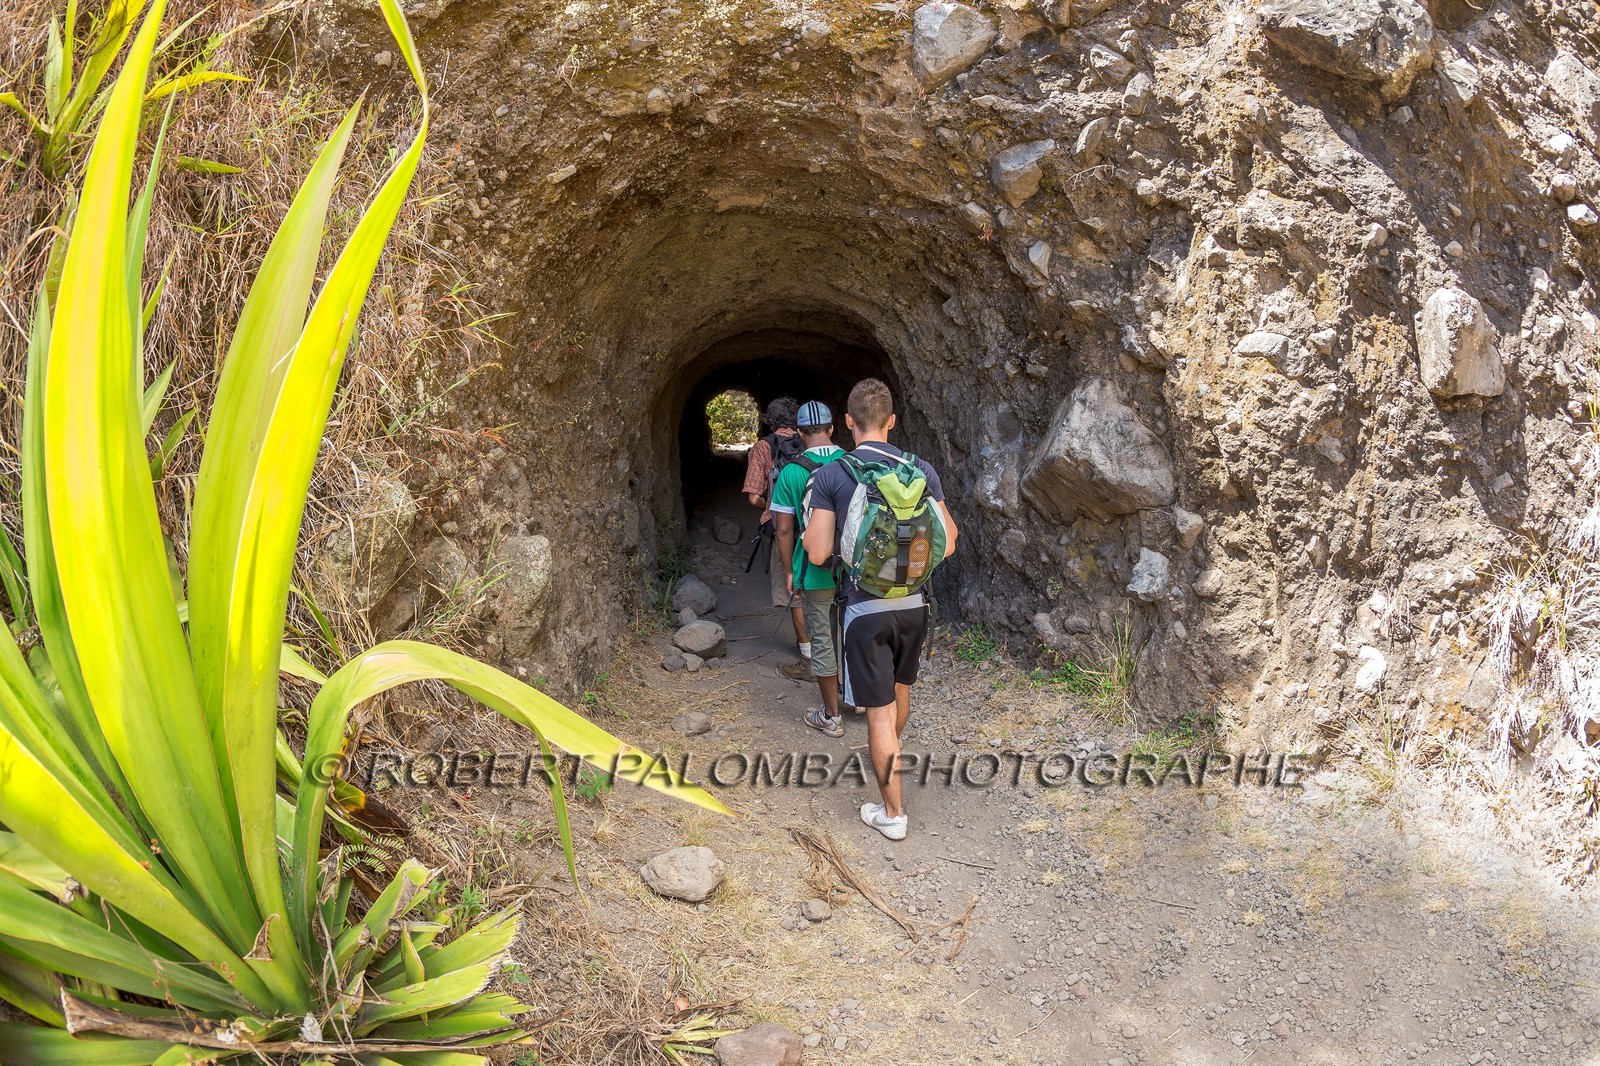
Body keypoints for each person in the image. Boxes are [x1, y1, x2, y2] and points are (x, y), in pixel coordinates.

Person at [803, 379, 958, 841]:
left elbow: (816, 553)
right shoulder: (920, 469)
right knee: (898, 689)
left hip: (865, 609)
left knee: (877, 713)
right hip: (915, 605)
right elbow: (948, 543)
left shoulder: (832, 475)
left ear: (848, 422)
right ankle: (892, 750)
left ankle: (892, 813)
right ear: (892, 421)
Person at [770, 401, 847, 737]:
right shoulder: (852, 462)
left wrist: (789, 571)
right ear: (832, 428)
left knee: (823, 639)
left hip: (814, 569)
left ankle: (831, 716)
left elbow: (784, 529)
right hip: (855, 568)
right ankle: (858, 697)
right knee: (853, 631)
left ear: (800, 433)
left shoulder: (792, 472)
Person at [743, 396, 810, 678]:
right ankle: (826, 644)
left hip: (781, 527)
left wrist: (772, 505)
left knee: (791, 587)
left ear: (769, 420)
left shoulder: (763, 447)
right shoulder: (811, 442)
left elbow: (754, 496)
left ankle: (806, 652)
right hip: (815, 523)